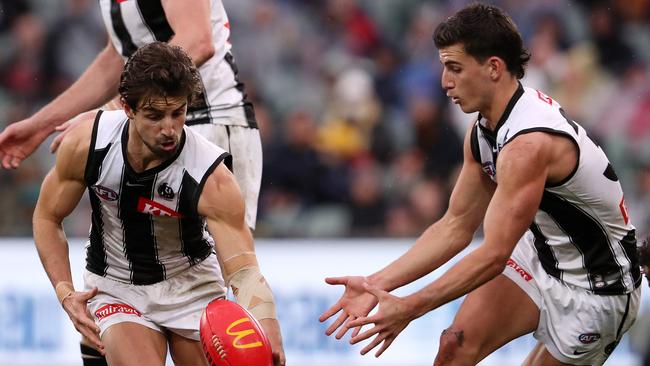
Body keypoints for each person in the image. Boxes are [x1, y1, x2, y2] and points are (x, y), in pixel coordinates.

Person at [320, 4, 641, 366]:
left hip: (597, 290)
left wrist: (412, 307)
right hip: (540, 255)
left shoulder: (527, 144)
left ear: (493, 67)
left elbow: (492, 255)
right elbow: (455, 227)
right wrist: (375, 284)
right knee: (454, 347)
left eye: (454, 68)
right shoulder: (483, 130)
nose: (444, 82)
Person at [32, 42, 285, 366]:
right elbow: (47, 217)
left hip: (193, 289)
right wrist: (65, 291)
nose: (169, 129)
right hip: (117, 287)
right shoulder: (87, 143)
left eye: (177, 113)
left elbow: (244, 270)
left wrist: (268, 326)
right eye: (154, 115)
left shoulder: (211, 176)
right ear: (127, 108)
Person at [0, 0, 261, 230]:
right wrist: (40, 125)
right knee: (160, 263)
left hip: (210, 121)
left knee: (216, 266)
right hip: (149, 131)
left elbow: (198, 42)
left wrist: (110, 113)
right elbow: (116, 58)